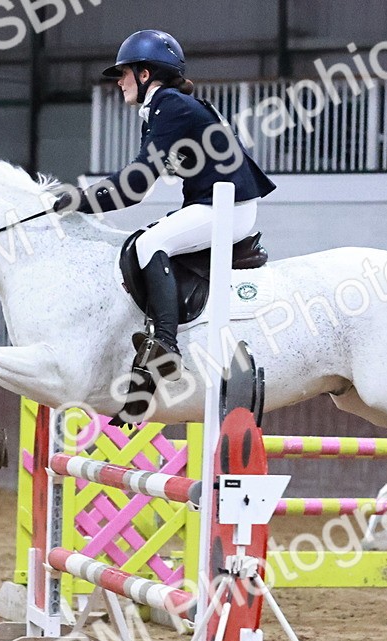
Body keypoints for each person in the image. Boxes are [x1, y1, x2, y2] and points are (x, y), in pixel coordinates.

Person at [53, 30, 276, 379]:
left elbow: (135, 185)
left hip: (227, 207)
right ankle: (150, 368)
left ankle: (167, 346)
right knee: (150, 241)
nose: (119, 83)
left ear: (145, 74)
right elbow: (137, 187)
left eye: (123, 73)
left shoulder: (170, 106)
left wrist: (82, 199)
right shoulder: (164, 108)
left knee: (150, 243)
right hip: (217, 204)